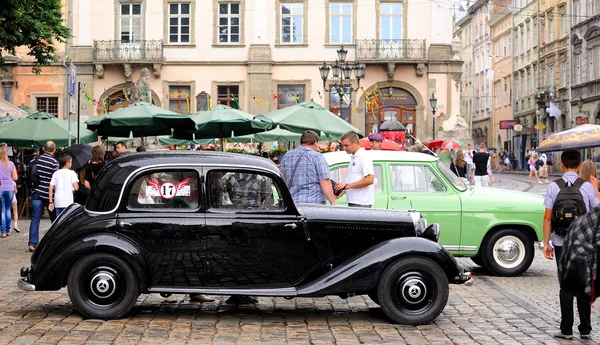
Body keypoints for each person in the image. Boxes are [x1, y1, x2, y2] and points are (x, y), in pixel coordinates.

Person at [542, 149, 599, 340]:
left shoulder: (553, 186)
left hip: (560, 242)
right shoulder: (587, 187)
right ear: (580, 164)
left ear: (562, 163)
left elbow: (548, 217)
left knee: (566, 286)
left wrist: (546, 243)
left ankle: (566, 329)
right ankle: (585, 329)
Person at [280, 130, 336, 205]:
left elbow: (282, 179)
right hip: (313, 204)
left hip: (292, 203)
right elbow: (325, 182)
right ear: (315, 143)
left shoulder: (287, 156)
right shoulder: (317, 156)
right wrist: (333, 202)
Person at [28, 141, 59, 252]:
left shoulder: (35, 160)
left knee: (35, 218)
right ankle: (54, 242)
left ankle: (32, 243)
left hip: (36, 192)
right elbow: (55, 181)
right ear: (54, 150)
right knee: (54, 219)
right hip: (49, 195)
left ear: (44, 149)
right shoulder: (54, 163)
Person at [334, 131, 375, 208]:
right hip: (354, 201)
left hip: (361, 203)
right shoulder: (354, 157)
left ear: (355, 142)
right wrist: (343, 190)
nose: (344, 148)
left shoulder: (363, 157)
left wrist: (347, 186)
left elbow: (370, 179)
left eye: (346, 145)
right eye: (343, 145)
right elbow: (354, 180)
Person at [0, 143, 18, 238]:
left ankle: (2, 231)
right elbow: (15, 177)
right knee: (7, 209)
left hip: (0, 188)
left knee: (2, 209)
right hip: (10, 188)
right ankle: (7, 230)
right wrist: (8, 177)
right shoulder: (11, 164)